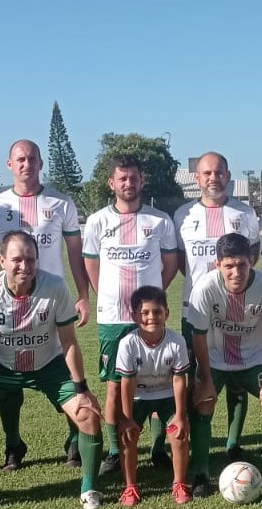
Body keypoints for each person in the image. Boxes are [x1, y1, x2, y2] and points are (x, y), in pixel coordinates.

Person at [0, 231, 104, 509]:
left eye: (30, 258)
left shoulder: (54, 286)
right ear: (2, 260)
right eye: (17, 259)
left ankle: (89, 488)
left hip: (49, 365)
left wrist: (82, 389)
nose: (24, 266)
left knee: (88, 415)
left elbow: (68, 341)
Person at [0, 139, 91, 471]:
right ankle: (14, 444)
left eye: (32, 158)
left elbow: (74, 252)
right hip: (7, 303)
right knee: (9, 369)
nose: (27, 164)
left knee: (64, 368)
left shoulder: (61, 203)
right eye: (20, 159)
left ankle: (74, 440)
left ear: (41, 163)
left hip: (51, 302)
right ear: (9, 165)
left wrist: (82, 295)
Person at [82, 155, 177, 477]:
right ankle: (114, 449)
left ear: (142, 180)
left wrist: (150, 301)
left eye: (133, 177)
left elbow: (171, 263)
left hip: (150, 317)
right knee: (113, 384)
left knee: (158, 380)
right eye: (122, 178)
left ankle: (158, 447)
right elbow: (91, 265)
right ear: (112, 183)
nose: (128, 183)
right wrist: (106, 295)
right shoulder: (97, 221)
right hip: (113, 317)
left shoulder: (160, 221)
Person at [185, 233, 262, 497]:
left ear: (252, 262)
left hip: (254, 360)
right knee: (203, 401)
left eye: (242, 265)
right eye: (229, 266)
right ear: (217, 264)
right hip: (215, 358)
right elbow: (198, 334)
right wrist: (205, 378)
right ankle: (200, 473)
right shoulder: (205, 287)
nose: (236, 272)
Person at [173, 152, 260, 463]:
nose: (213, 178)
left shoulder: (245, 213)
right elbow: (183, 263)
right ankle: (189, 443)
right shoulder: (182, 215)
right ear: (197, 178)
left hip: (236, 309)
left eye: (219, 172)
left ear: (228, 175)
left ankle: (234, 442)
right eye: (207, 173)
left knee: (237, 374)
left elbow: (252, 258)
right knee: (195, 378)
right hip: (193, 311)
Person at [113, 286, 192, 505]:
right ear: (134, 315)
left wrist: (180, 415)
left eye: (157, 312)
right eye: (145, 312)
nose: (151, 317)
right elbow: (127, 382)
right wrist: (127, 419)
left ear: (166, 312)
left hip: (166, 394)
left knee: (178, 434)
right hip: (138, 397)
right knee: (127, 437)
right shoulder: (128, 343)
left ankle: (179, 483)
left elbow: (178, 380)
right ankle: (130, 487)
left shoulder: (176, 341)